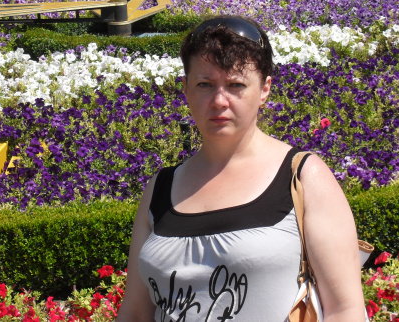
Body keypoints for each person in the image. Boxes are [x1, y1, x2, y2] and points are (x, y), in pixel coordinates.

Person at [116, 16, 365, 321]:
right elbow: (135, 312)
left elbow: (345, 309)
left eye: (236, 85)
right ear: (186, 89)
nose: (219, 101)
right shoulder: (161, 186)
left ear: (264, 89)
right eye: (205, 85)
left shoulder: (302, 176)